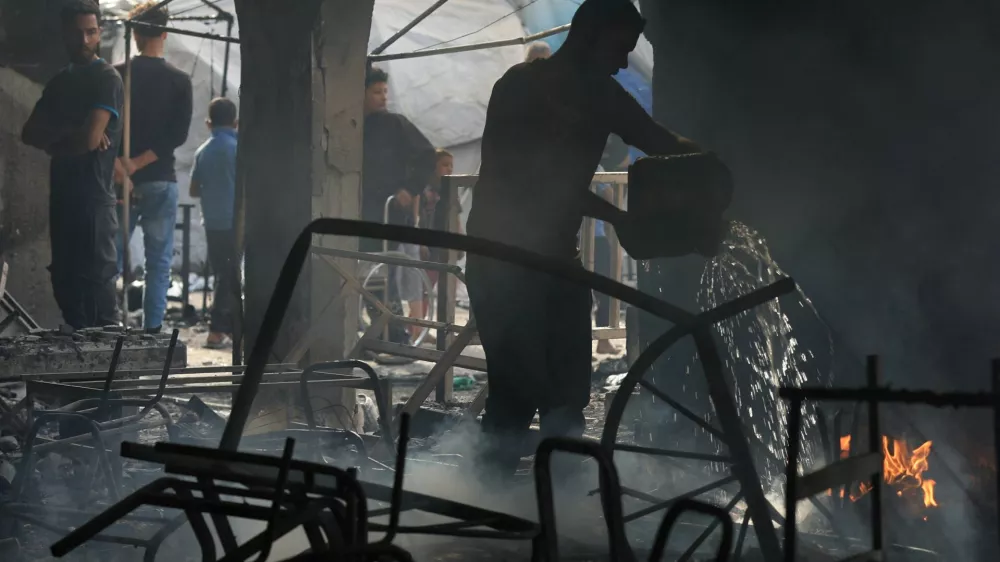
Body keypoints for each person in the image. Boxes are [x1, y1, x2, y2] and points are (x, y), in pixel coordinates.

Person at [464, 0, 704, 477]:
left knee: (569, 396)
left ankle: (561, 511)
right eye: (620, 49)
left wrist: (710, 160)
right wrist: (617, 214)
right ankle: (488, 504)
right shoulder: (523, 88)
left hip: (556, 260)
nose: (621, 62)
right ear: (589, 35)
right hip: (502, 261)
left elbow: (660, 143)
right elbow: (531, 184)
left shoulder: (601, 94)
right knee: (516, 393)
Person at [21, 0, 123, 330]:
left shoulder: (106, 77)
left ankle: (110, 375)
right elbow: (29, 133)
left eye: (91, 32)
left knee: (98, 291)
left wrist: (62, 139)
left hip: (93, 198)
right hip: (63, 196)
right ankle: (83, 373)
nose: (84, 41)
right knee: (66, 284)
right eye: (77, 33)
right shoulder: (59, 83)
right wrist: (73, 131)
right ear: (65, 34)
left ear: (100, 33)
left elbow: (90, 141)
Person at [113, 1, 194, 334]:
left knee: (112, 261)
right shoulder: (179, 81)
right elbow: (176, 136)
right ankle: (152, 332)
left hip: (119, 181)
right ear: (164, 33)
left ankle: (107, 326)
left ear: (134, 34)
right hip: (160, 179)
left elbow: (107, 129)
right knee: (158, 264)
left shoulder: (117, 75)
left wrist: (125, 165)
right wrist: (141, 162)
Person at [361, 65, 436, 347]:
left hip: (390, 213)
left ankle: (394, 333)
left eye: (384, 92)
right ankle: (378, 331)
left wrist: (410, 188)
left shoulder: (396, 124)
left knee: (387, 275)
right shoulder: (353, 126)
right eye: (376, 92)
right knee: (365, 277)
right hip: (362, 213)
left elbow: (427, 157)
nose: (382, 98)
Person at [189, 98, 238, 349]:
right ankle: (218, 330)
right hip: (235, 223)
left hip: (213, 223)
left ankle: (226, 327)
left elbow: (194, 190)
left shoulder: (202, 152)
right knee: (231, 276)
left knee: (223, 274)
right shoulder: (238, 148)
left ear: (209, 123)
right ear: (236, 122)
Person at [593, 134, 631, 354]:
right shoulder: (594, 166)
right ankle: (603, 340)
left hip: (564, 236)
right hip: (594, 238)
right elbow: (609, 196)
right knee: (604, 288)